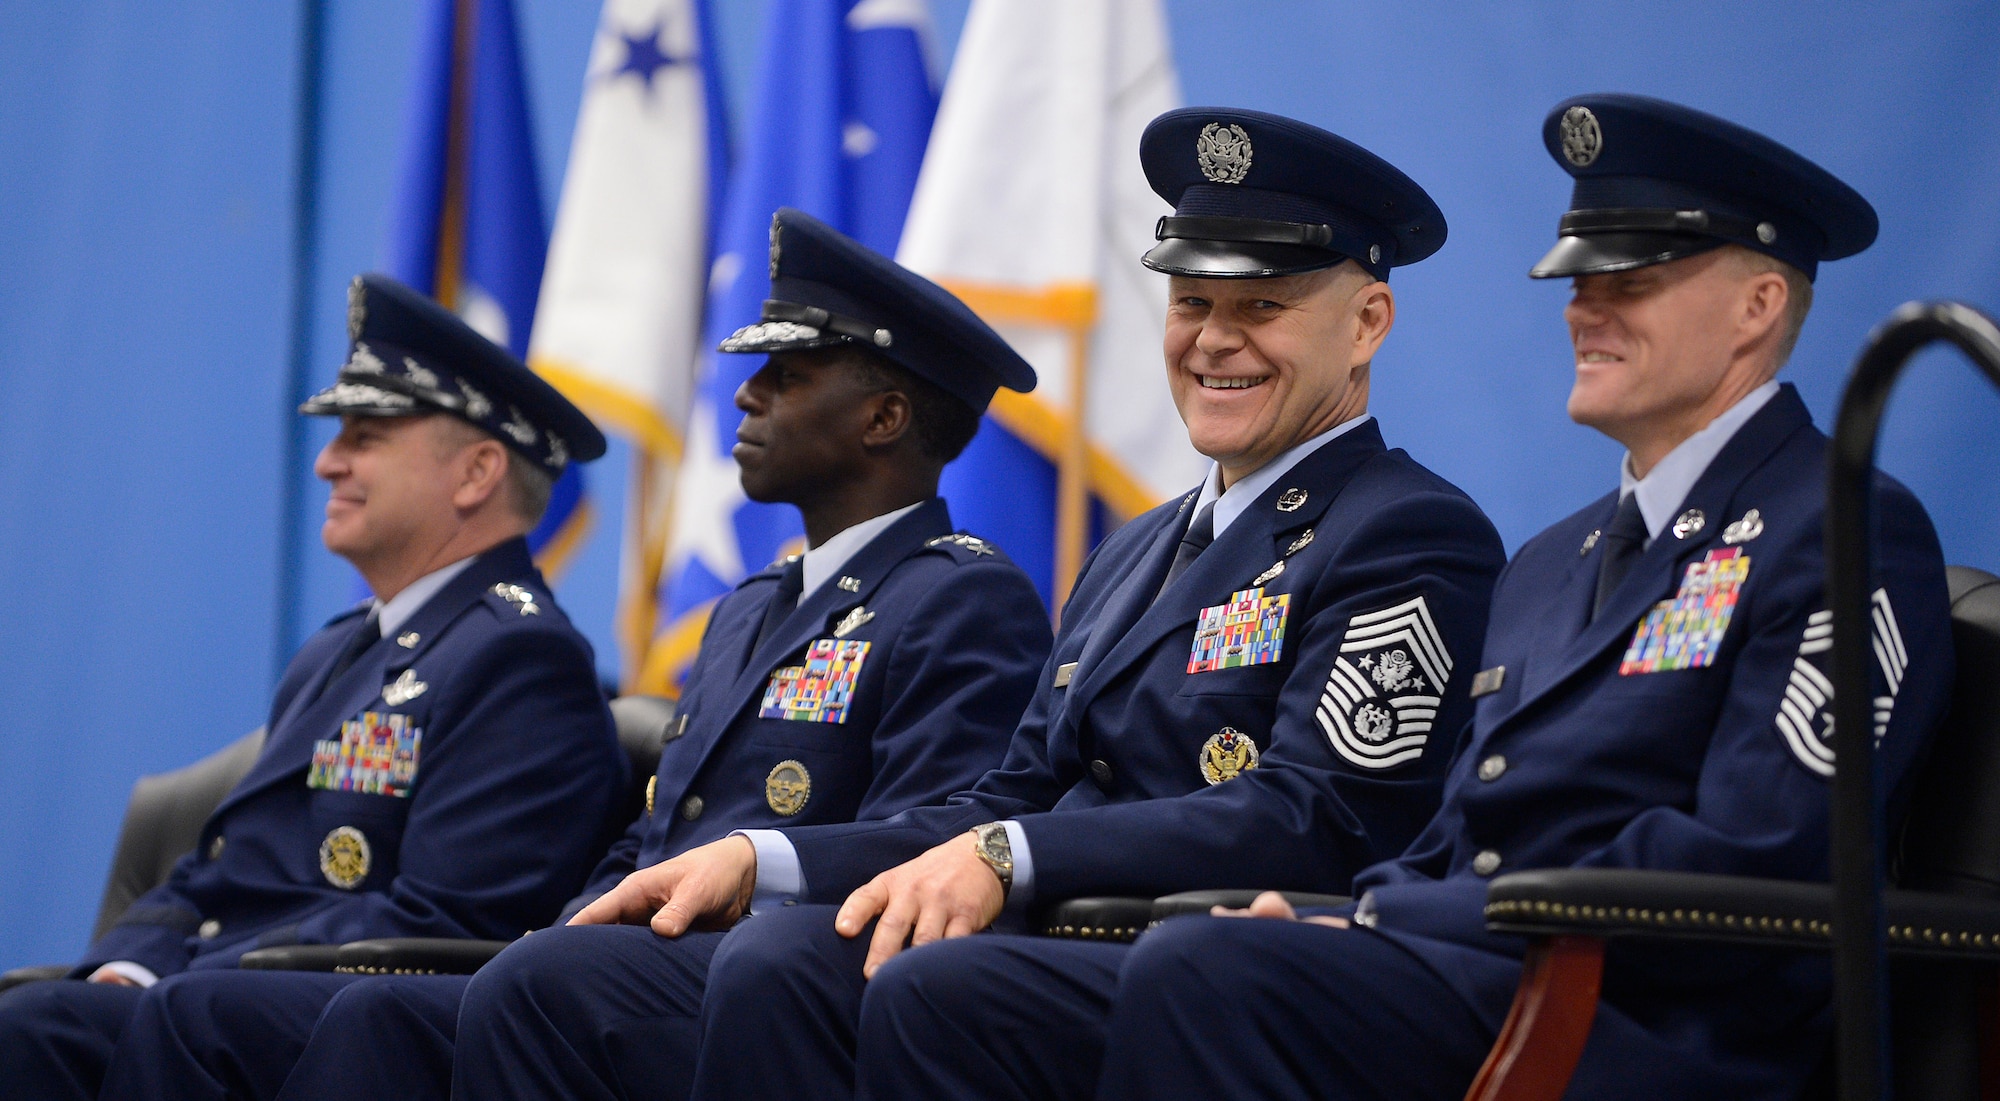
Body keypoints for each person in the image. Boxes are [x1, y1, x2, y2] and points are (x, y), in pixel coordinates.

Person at [582, 107, 1508, 1101]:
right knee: (785, 958)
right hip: (1074, 944)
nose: (1213, 341)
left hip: (1219, 966)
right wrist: (764, 858)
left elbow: (1314, 812)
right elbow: (1010, 793)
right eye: (1190, 303)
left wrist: (1005, 855)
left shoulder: (1406, 529)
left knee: (921, 987)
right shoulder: (1133, 549)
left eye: (1260, 308)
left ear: (1365, 322)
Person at [1090, 94, 1958, 1101]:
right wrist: (1346, 912)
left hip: (1659, 1025)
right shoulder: (1552, 557)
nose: (1581, 310)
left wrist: (1382, 922)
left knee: (1202, 970)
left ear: (1756, 307)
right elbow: (1459, 827)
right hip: (1489, 974)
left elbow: (1760, 850)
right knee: (1055, 978)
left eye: (1627, 282)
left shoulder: (1839, 526)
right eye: (1578, 280)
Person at [94, 208, 1055, 1101]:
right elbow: (654, 834)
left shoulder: (961, 593)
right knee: (383, 1013)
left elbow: (938, 833)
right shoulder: (753, 606)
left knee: (474, 991)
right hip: (648, 959)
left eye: (788, 377)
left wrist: (747, 873)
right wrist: (579, 918)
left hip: (783, 976)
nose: (747, 393)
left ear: (883, 419)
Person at [0, 273, 627, 1101]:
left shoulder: (521, 657)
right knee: (34, 1019)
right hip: (218, 996)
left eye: (367, 435)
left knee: (129, 1021)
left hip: (325, 1020)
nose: (329, 460)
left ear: (477, 472)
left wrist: (194, 973)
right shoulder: (337, 650)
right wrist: (130, 965)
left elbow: (448, 921)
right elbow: (217, 866)